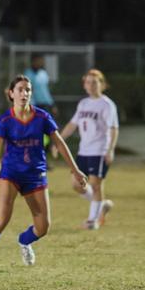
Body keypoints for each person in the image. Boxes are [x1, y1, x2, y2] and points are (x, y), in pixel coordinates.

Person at [0, 75, 86, 269]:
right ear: (11, 93)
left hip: (35, 175)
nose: (24, 93)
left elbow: (59, 143)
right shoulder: (4, 120)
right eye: (20, 89)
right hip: (11, 174)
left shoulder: (42, 117)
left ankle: (24, 240)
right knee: (2, 219)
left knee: (43, 227)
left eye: (28, 90)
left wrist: (75, 170)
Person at [59, 69, 118, 229]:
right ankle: (101, 204)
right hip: (83, 151)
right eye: (88, 82)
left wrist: (110, 150)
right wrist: (59, 140)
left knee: (95, 184)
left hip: (99, 150)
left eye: (94, 82)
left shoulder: (107, 105)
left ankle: (93, 220)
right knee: (76, 184)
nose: (91, 85)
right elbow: (73, 124)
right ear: (84, 85)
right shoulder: (83, 104)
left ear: (102, 84)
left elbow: (113, 128)